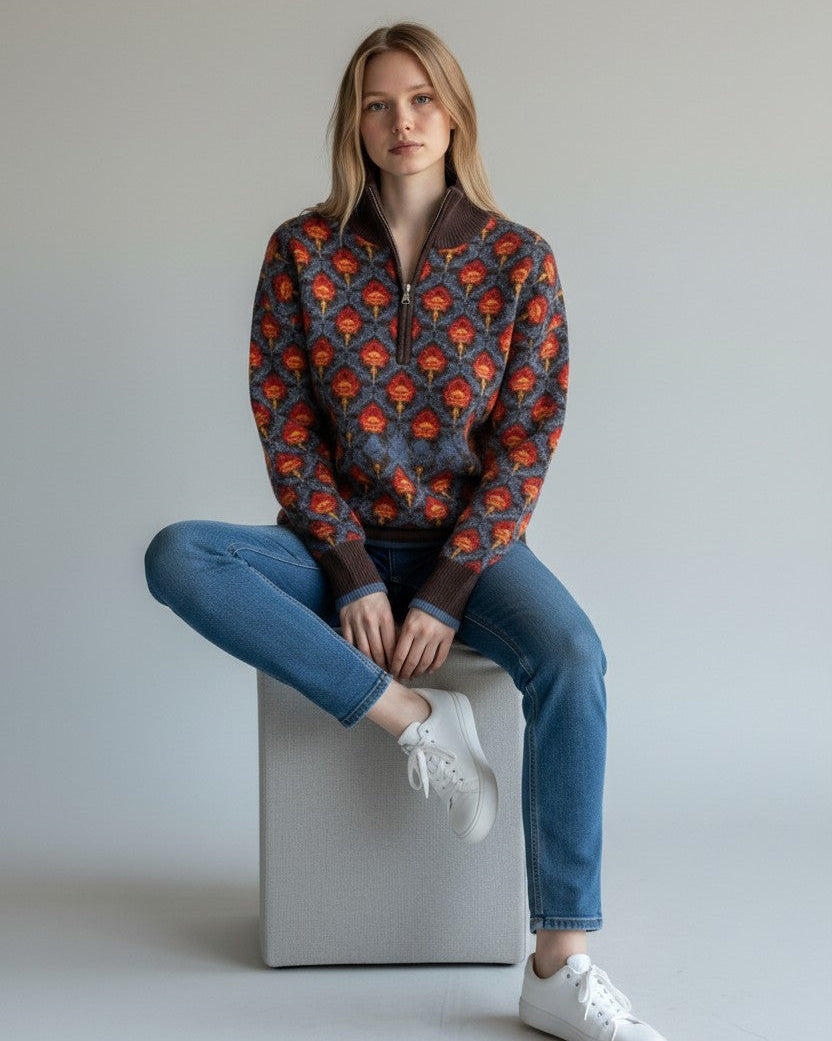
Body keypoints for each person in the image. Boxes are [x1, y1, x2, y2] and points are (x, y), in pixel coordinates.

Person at [144, 21, 668, 1041]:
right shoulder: (301, 252)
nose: (401, 121)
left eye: (420, 98)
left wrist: (447, 588)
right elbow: (285, 423)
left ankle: (557, 967)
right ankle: (413, 724)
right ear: (353, 123)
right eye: (378, 103)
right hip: (328, 544)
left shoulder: (519, 261)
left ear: (455, 111)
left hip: (467, 551)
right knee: (179, 555)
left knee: (573, 657)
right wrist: (347, 572)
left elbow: (527, 438)